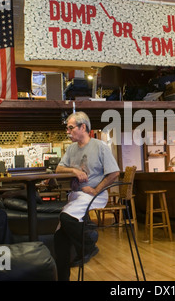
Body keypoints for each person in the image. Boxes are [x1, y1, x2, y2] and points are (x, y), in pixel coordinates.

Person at [55, 111, 120, 281]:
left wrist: (96, 189)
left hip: (94, 195)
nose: (68, 132)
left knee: (66, 218)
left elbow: (114, 172)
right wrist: (74, 170)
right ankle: (63, 277)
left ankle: (89, 244)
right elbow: (59, 169)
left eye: (70, 128)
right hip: (77, 195)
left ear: (83, 127)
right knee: (59, 236)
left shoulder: (99, 146)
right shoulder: (71, 148)